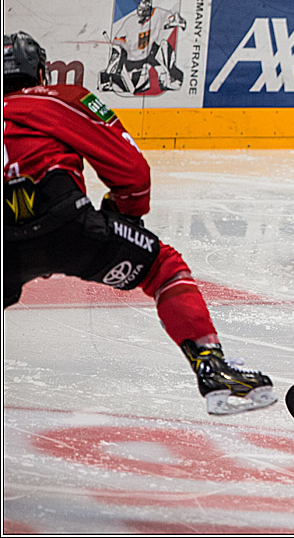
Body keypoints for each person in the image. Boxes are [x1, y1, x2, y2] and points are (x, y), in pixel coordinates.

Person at [4, 31, 276, 415]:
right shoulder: (63, 98)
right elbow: (131, 171)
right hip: (70, 228)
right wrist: (124, 216)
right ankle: (212, 368)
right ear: (41, 70)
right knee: (163, 267)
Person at [101, 0, 186, 96]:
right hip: (133, 59)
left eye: (143, 11)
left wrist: (178, 22)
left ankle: (172, 77)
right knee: (133, 87)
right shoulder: (130, 21)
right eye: (139, 10)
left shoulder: (158, 14)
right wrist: (123, 49)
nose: (140, 14)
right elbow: (118, 40)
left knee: (164, 45)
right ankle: (107, 79)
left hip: (149, 55)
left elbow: (172, 18)